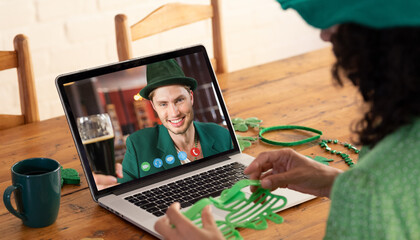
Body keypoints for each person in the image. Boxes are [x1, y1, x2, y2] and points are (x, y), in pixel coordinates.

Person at [154, 0, 420, 239]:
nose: (324, 34)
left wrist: (357, 193)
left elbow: (382, 200)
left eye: (338, 21)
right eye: (163, 103)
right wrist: (336, 183)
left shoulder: (375, 192)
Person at [94, 59, 233, 189]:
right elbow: (122, 190)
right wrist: (108, 186)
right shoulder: (138, 144)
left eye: (179, 100)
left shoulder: (221, 134)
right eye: (163, 104)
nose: (174, 113)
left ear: (191, 97)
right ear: (154, 107)